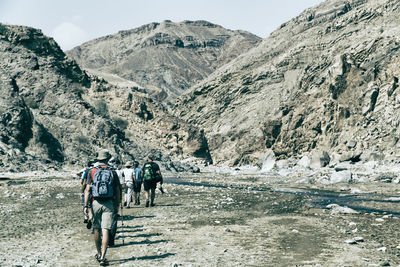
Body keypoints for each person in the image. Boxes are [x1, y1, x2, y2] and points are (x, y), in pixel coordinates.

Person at [84, 149, 121, 266]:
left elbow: (87, 189)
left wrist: (86, 205)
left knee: (96, 229)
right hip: (109, 203)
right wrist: (117, 205)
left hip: (95, 202)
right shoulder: (113, 172)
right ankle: (103, 257)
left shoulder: (92, 171)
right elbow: (117, 190)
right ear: (107, 159)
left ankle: (99, 253)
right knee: (106, 230)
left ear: (98, 159)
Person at [79, 159, 95, 229]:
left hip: (87, 189)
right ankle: (92, 217)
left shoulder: (86, 171)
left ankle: (86, 217)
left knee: (86, 204)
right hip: (95, 190)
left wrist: (82, 192)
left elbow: (83, 182)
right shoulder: (96, 170)